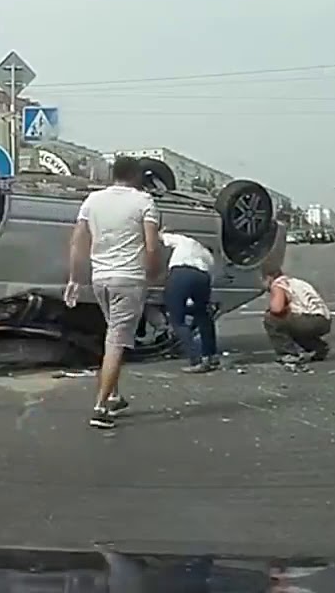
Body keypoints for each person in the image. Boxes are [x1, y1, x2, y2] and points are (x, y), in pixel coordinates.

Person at [65, 156, 162, 429]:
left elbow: (77, 242)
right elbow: (152, 246)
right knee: (116, 341)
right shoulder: (144, 202)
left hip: (101, 279)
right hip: (128, 279)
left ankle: (115, 396)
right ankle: (100, 407)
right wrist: (154, 274)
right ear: (136, 176)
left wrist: (74, 279)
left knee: (113, 335)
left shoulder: (92, 201)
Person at [160, 230, 219, 373]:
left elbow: (159, 238)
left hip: (180, 274)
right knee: (203, 315)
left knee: (177, 319)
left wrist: (160, 232)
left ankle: (196, 359)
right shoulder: (208, 256)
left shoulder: (186, 240)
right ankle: (210, 356)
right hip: (202, 277)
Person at [263, 268, 331, 364]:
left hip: (308, 320)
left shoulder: (278, 284)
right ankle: (318, 347)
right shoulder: (297, 282)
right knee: (291, 325)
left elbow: (276, 309)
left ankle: (288, 354)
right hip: (324, 321)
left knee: (271, 318)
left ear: (269, 278)